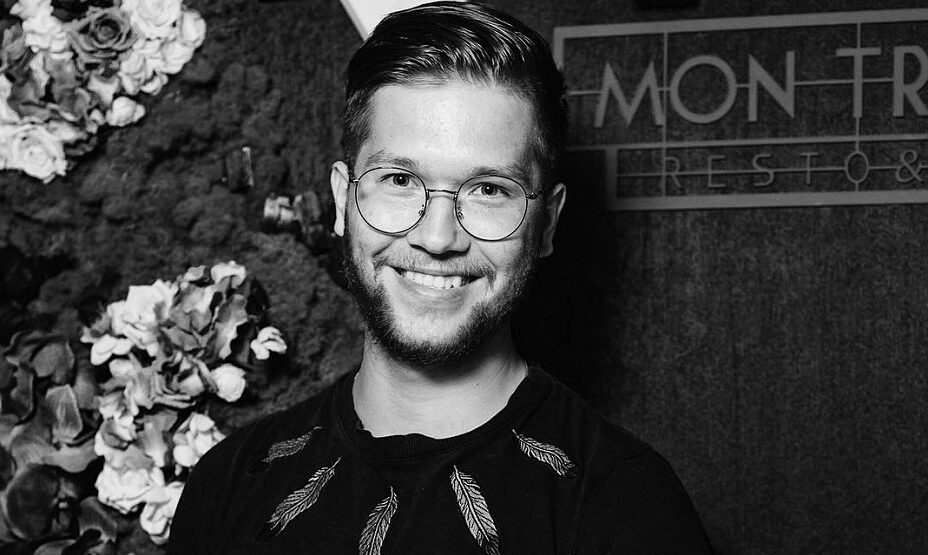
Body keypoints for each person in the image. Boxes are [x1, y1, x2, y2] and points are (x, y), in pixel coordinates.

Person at [169, 2, 713, 553]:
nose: (436, 237)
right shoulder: (230, 482)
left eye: (489, 190)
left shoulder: (624, 503)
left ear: (547, 223)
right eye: (399, 180)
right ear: (341, 200)